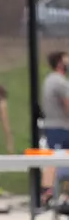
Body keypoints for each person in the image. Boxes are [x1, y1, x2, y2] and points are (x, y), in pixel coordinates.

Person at [40, 52, 69, 203]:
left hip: (55, 126)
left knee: (60, 158)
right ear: (59, 62)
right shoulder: (60, 82)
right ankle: (47, 193)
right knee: (56, 158)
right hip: (60, 127)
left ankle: (50, 192)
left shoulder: (50, 80)